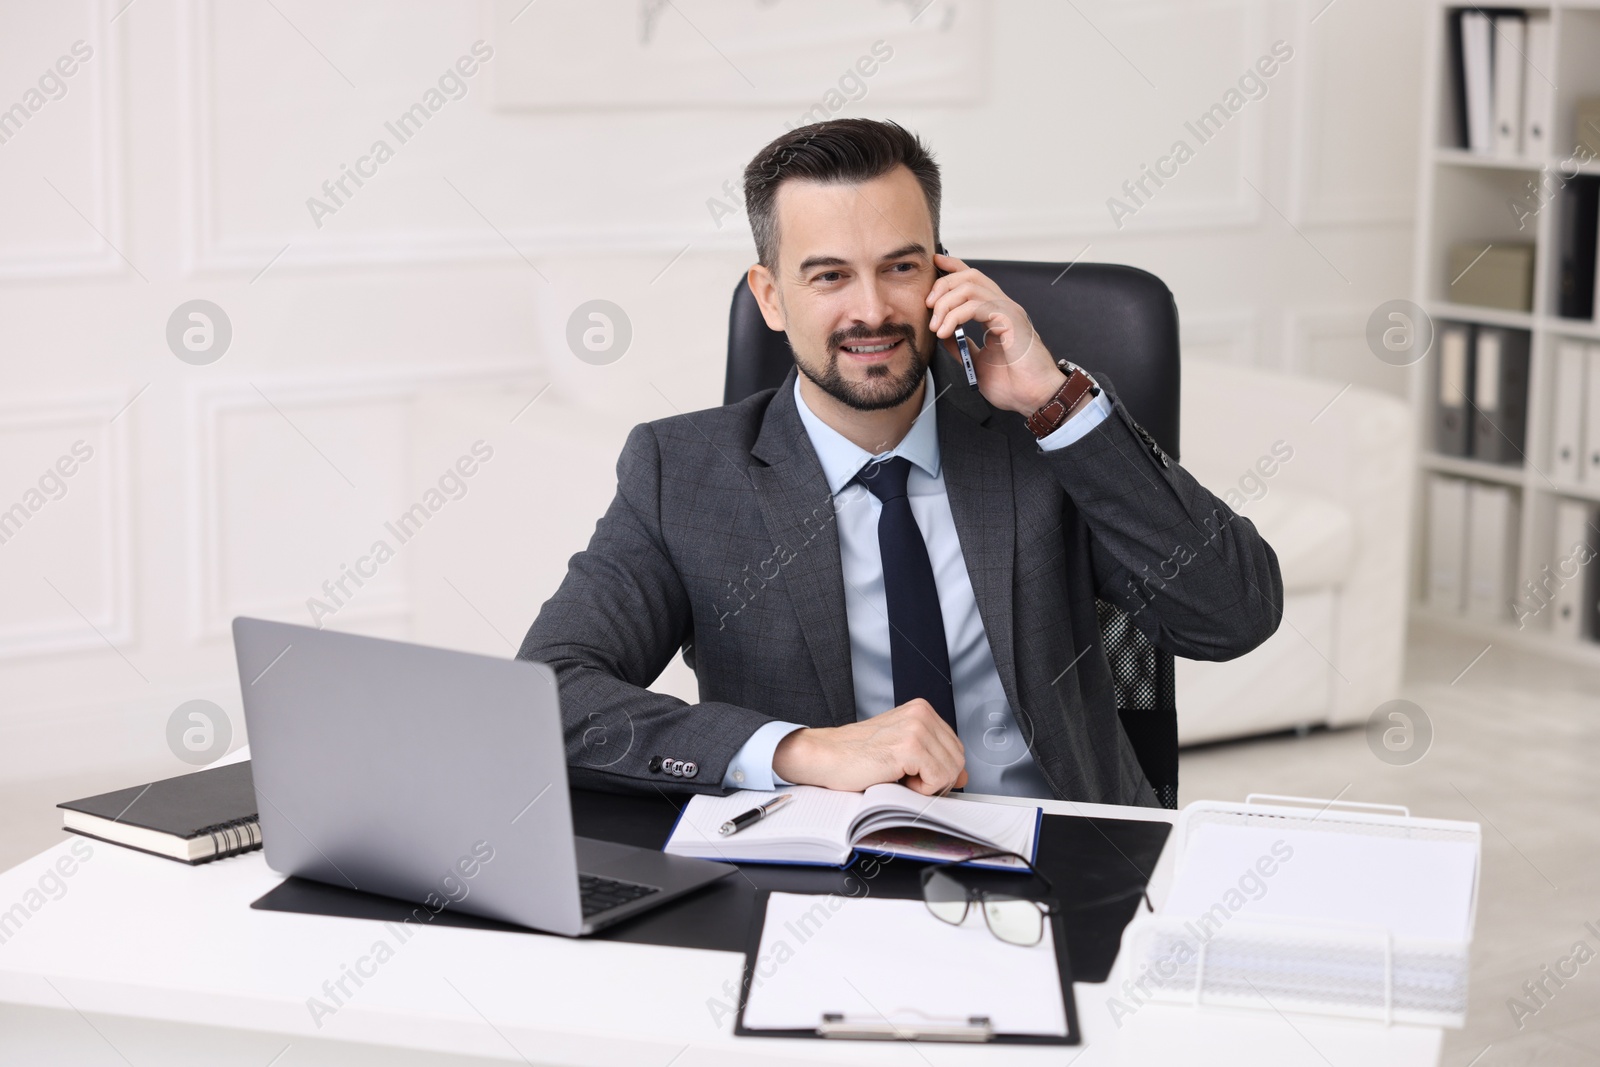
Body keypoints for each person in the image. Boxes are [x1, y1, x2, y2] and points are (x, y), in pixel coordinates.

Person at [519, 118, 1282, 806]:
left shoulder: (1043, 434)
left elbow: (1234, 615)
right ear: (771, 297)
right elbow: (550, 696)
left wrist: (1055, 403)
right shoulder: (680, 472)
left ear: (944, 276)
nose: (872, 310)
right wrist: (799, 749)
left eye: (900, 267)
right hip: (815, 872)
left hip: (1062, 856)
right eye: (828, 276)